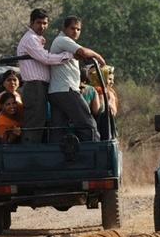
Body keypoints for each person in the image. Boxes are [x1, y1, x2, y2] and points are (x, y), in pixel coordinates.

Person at [16, 8, 74, 143]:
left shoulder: (37, 39)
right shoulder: (30, 39)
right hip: (34, 86)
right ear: (31, 23)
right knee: (34, 122)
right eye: (38, 23)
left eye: (45, 23)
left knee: (41, 120)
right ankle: (29, 155)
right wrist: (67, 56)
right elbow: (45, 58)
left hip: (41, 87)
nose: (42, 26)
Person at [48, 16, 106, 143]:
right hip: (66, 90)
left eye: (78, 29)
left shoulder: (66, 44)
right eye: (72, 28)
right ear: (64, 28)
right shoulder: (62, 40)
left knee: (58, 129)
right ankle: (95, 154)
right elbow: (83, 52)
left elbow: (80, 54)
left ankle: (55, 159)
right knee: (88, 125)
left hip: (56, 92)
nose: (75, 32)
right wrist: (98, 56)